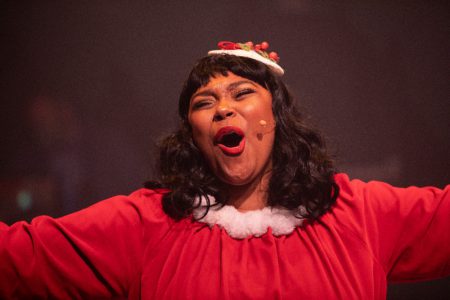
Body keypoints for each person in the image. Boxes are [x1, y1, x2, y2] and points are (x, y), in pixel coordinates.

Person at [0, 41, 449, 299]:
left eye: (242, 93)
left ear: (275, 117)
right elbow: (17, 257)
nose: (222, 109)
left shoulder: (355, 213)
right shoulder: (149, 224)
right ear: (192, 134)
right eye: (204, 103)